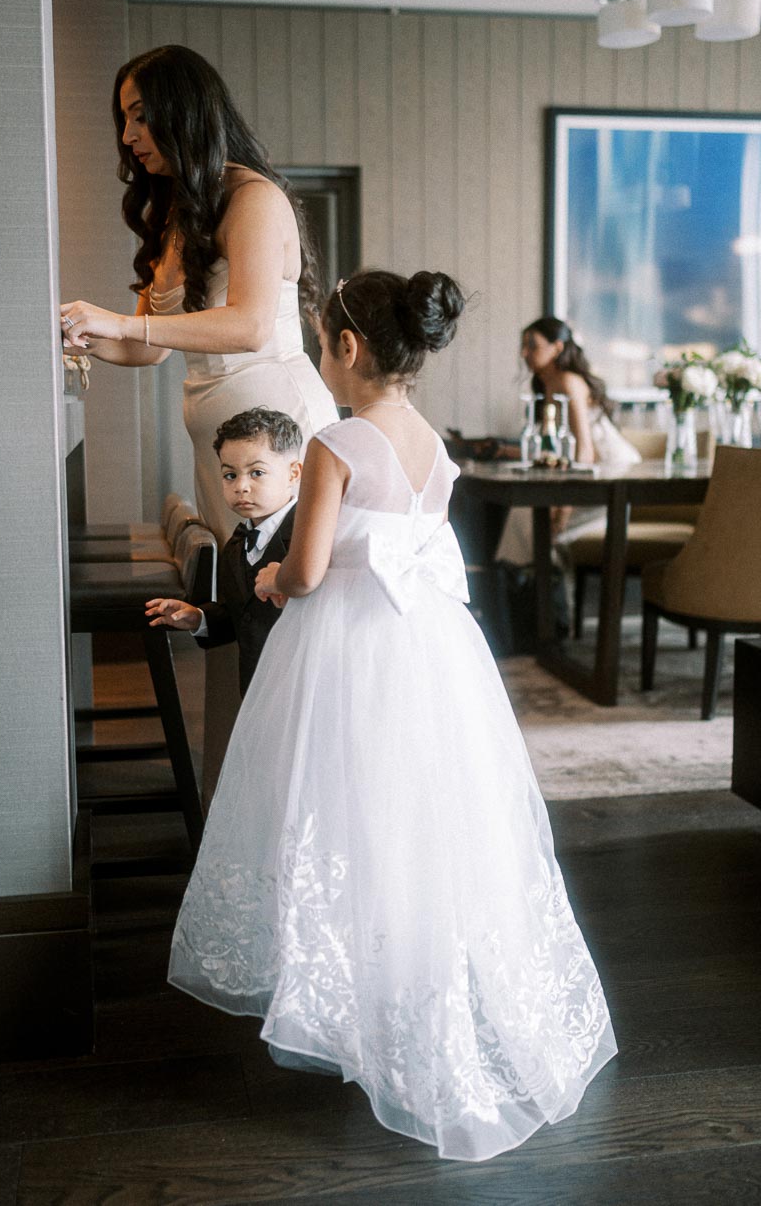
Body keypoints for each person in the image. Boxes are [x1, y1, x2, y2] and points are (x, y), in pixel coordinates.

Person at [167, 269, 617, 1162]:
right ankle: (414, 975)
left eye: (320, 345)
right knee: (424, 816)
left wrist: (270, 576)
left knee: (342, 809)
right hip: (430, 649)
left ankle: (352, 992)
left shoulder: (336, 442)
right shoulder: (432, 445)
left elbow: (307, 569)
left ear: (348, 348)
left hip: (348, 648)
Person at [58, 44, 337, 544]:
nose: (127, 136)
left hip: (276, 426)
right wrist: (72, 331)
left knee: (281, 574)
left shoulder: (253, 198)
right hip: (217, 436)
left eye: (141, 117)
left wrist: (118, 321)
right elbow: (147, 347)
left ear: (183, 114)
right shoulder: (177, 214)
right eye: (125, 120)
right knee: (238, 575)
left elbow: (250, 327)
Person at [145, 407, 301, 696]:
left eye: (257, 473)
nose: (241, 487)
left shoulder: (306, 541)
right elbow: (238, 616)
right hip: (255, 688)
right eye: (230, 475)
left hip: (300, 685)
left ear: (293, 473)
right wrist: (198, 618)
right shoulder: (236, 546)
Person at [497, 317, 642, 565]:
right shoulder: (547, 384)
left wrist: (565, 506)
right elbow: (551, 451)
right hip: (587, 473)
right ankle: (531, 578)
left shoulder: (568, 382)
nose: (524, 353)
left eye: (532, 345)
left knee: (527, 513)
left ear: (557, 348)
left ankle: (536, 579)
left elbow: (585, 452)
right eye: (523, 346)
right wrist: (503, 450)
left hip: (612, 478)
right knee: (524, 511)